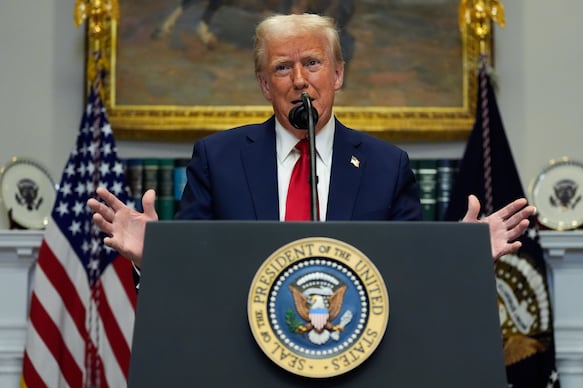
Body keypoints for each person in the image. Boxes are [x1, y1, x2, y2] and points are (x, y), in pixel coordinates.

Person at [88, 13, 534, 268]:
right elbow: (192, 274)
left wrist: (460, 258)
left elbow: (408, 270)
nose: (300, 80)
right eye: (283, 67)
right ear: (265, 84)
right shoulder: (218, 159)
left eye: (313, 63)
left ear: (338, 74)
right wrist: (152, 258)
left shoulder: (385, 165)